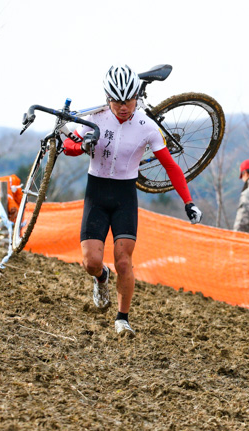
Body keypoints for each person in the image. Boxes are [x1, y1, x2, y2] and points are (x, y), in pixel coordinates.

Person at [62, 64, 203, 338]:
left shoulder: (147, 126)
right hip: (97, 192)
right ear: (108, 98)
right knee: (91, 262)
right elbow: (68, 145)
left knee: (124, 262)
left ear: (137, 97)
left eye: (128, 101)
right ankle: (101, 278)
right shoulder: (96, 117)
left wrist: (189, 202)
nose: (123, 107)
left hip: (125, 195)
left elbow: (172, 167)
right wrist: (81, 146)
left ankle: (122, 319)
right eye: (116, 101)